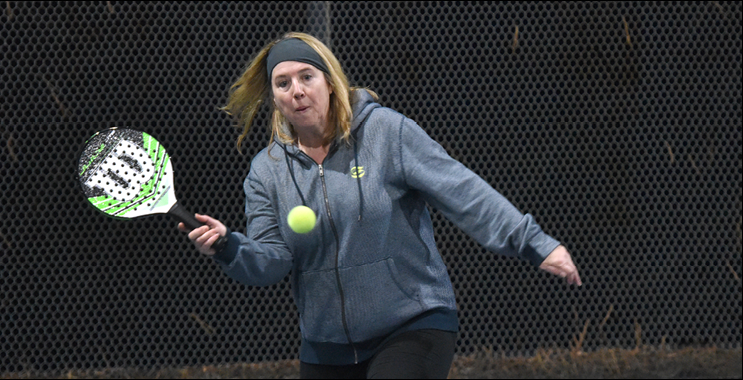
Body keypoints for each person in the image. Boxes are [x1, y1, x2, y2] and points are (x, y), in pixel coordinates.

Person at [178, 32, 582, 379]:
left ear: (330, 82)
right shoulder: (266, 172)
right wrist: (228, 245)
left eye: (306, 76)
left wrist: (533, 242)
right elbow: (271, 260)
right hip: (325, 345)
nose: (297, 90)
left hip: (412, 323)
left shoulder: (386, 133)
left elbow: (463, 191)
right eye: (283, 83)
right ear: (274, 97)